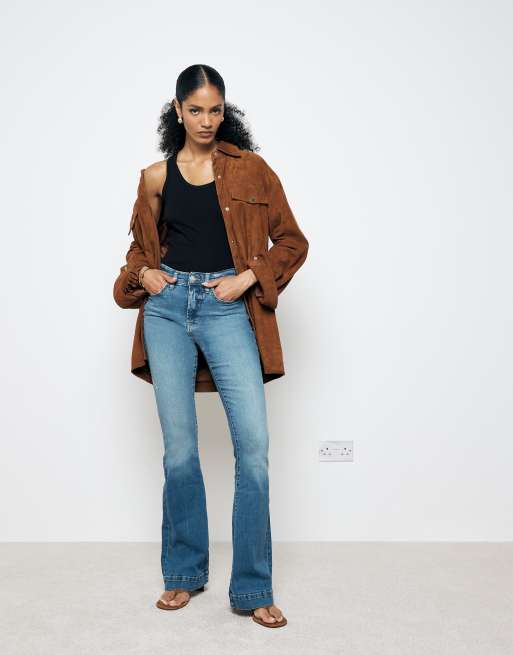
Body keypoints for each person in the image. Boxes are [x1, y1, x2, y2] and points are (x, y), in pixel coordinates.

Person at [115, 64, 309, 629]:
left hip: (227, 306)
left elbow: (292, 242)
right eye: (195, 110)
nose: (206, 120)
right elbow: (139, 252)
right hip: (168, 310)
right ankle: (183, 574)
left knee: (253, 447)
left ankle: (252, 588)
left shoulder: (252, 170)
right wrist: (146, 276)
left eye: (215, 109)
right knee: (180, 450)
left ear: (227, 111)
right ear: (177, 111)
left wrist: (249, 277)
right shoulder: (155, 177)